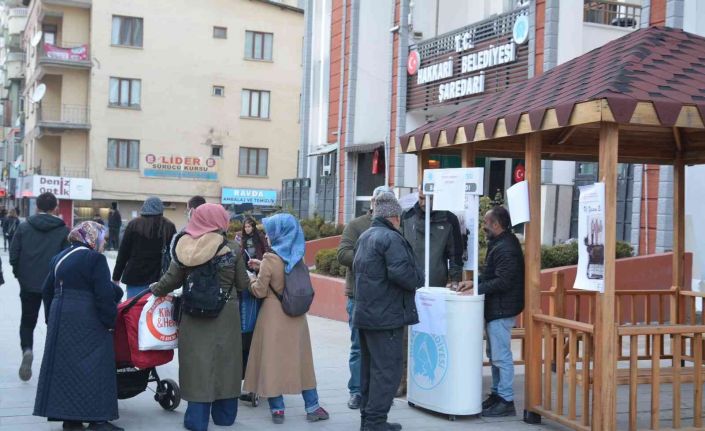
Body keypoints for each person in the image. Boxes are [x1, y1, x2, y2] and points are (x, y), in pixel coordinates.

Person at [150, 204, 250, 431]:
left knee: (198, 364)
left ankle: (196, 420)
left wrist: (154, 290)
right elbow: (243, 284)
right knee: (227, 362)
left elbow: (170, 280)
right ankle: (225, 417)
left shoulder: (185, 247)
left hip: (194, 315)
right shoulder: (233, 248)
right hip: (226, 316)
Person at [34, 221, 124, 431]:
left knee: (67, 369)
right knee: (96, 366)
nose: (103, 243)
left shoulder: (59, 258)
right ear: (93, 238)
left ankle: (71, 420)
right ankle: (98, 420)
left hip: (61, 317)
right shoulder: (95, 259)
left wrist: (51, 320)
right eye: (102, 238)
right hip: (87, 318)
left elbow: (46, 290)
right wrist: (110, 322)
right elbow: (103, 295)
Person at [243, 213, 330, 425]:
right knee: (302, 362)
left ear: (279, 233)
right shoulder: (297, 256)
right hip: (296, 317)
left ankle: (278, 410)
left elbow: (260, 291)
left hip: (273, 316)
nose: (267, 235)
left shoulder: (270, 259)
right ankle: (313, 406)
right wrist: (261, 267)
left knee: (272, 362)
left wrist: (252, 278)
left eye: (270, 232)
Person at [353, 192, 424, 431]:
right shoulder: (391, 239)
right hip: (386, 318)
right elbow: (402, 274)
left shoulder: (366, 236)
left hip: (366, 315)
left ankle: (368, 419)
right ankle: (375, 422)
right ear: (394, 216)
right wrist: (418, 278)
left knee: (369, 370)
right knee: (387, 371)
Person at [456, 206, 525, 417]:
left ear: (496, 224)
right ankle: (497, 394)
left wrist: (477, 288)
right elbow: (491, 275)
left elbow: (502, 281)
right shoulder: (500, 244)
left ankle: (506, 400)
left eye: (486, 223)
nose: (484, 227)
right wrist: (472, 283)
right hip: (497, 307)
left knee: (501, 356)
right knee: (494, 354)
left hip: (502, 309)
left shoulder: (506, 247)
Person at [396, 185, 464, 396]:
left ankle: (432, 379)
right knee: (406, 336)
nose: (424, 203)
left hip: (437, 288)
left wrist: (454, 280)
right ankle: (402, 381)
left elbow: (455, 254)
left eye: (429, 198)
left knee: (434, 334)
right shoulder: (407, 216)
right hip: (409, 287)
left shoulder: (449, 219)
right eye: (422, 198)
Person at [336, 185, 392, 410]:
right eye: (380, 200)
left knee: (382, 349)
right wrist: (372, 259)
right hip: (359, 296)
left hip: (387, 298)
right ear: (372, 201)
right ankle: (357, 391)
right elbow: (342, 254)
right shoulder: (356, 225)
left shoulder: (397, 226)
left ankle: (377, 393)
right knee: (359, 347)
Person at [10, 192, 70, 381]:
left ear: (36, 207)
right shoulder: (63, 230)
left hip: (28, 284)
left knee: (28, 321)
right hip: (52, 285)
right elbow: (66, 258)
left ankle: (27, 350)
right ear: (55, 208)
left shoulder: (24, 226)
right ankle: (53, 362)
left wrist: (20, 274)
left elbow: (14, 254)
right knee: (53, 322)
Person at [112, 197, 176, 299]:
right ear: (161, 210)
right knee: (155, 313)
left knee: (134, 311)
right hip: (159, 280)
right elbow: (173, 255)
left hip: (135, 277)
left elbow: (123, 253)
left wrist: (116, 277)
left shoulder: (133, 225)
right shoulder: (169, 227)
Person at [238, 217, 267, 404]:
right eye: (245, 226)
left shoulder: (261, 242)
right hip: (247, 290)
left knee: (251, 337)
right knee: (246, 337)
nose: (247, 228)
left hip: (255, 290)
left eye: (250, 225)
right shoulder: (239, 242)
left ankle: (253, 383)